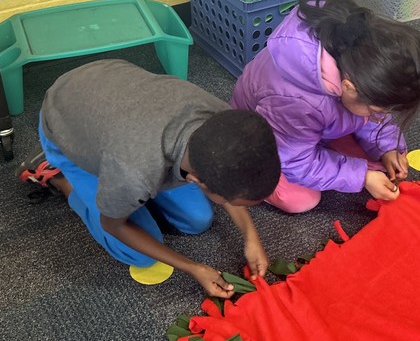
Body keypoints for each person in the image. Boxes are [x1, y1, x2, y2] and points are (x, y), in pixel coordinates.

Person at [25, 59, 281, 299]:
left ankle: (131, 198)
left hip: (112, 89)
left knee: (198, 220)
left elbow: (233, 177)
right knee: (139, 254)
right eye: (234, 201)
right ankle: (58, 175)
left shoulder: (228, 123)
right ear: (196, 180)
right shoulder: (133, 171)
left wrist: (250, 236)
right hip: (64, 120)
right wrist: (192, 268)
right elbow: (114, 225)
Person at [230, 0, 420, 213]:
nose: (382, 114)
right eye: (378, 110)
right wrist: (362, 177)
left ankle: (336, 149)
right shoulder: (296, 102)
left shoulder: (361, 65)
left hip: (306, 123)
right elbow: (297, 163)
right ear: (348, 87)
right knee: (301, 199)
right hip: (261, 141)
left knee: (375, 164)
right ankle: (253, 180)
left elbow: (375, 107)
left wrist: (387, 147)